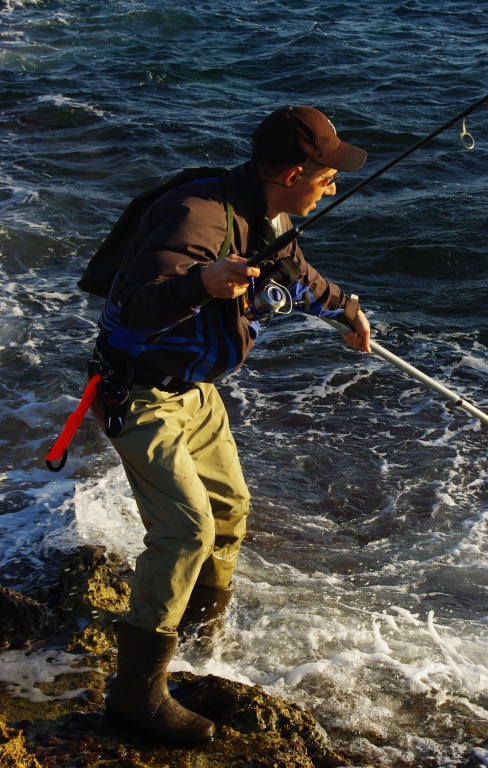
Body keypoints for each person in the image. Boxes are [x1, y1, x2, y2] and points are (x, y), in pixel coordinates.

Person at [94, 105, 371, 746]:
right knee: (185, 531)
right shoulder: (200, 216)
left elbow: (295, 277)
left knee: (229, 511)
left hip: (196, 394)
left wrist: (344, 312)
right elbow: (131, 311)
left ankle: (196, 645)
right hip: (140, 396)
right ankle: (135, 695)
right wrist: (201, 283)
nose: (333, 185)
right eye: (328, 175)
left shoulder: (266, 213)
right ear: (297, 171)